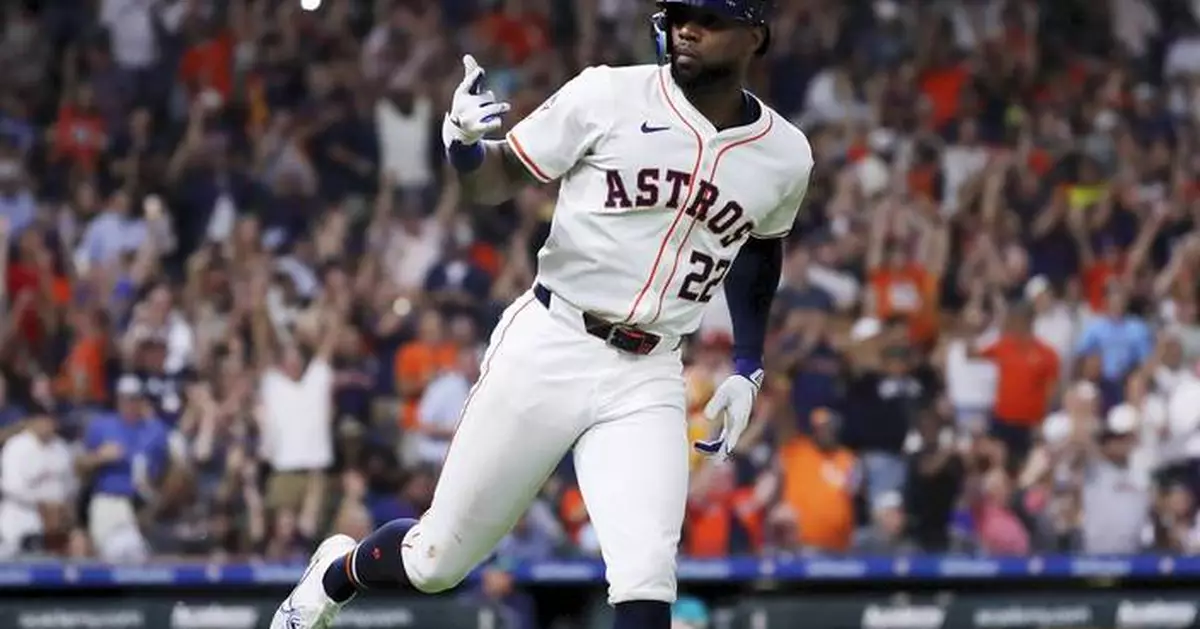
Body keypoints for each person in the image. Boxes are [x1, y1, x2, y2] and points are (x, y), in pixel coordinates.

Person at [271, 1, 813, 628]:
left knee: (646, 578)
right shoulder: (607, 94)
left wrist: (748, 364)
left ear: (756, 35)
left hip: (650, 371)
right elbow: (494, 181)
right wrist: (466, 147)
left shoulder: (785, 154)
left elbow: (759, 247)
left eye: (710, 18)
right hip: (554, 339)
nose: (687, 28)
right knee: (437, 562)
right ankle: (336, 573)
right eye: (679, 13)